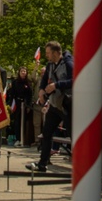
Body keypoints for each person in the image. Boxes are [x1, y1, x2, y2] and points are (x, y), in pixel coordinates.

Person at [30, 41, 73, 173]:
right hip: (55, 104)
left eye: (48, 53)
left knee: (73, 134)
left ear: (55, 53)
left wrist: (57, 85)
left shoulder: (68, 64)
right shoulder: (49, 65)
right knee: (47, 132)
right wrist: (42, 90)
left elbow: (76, 79)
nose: (47, 56)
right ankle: (43, 163)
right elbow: (44, 80)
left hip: (67, 104)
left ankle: (80, 165)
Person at [6, 66, 35, 147]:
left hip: (25, 104)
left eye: (24, 71)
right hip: (17, 104)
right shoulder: (15, 82)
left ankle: (24, 139)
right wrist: (11, 105)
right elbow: (12, 94)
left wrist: (28, 105)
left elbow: (30, 94)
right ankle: (18, 139)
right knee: (17, 122)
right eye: (22, 71)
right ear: (19, 72)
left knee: (25, 122)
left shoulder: (28, 82)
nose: (23, 73)